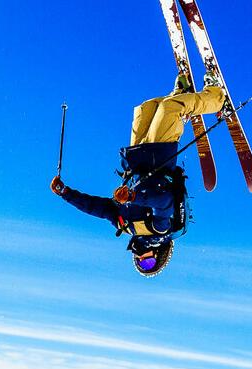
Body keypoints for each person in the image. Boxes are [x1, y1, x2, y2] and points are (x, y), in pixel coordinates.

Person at [51, 76, 227, 277]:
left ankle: (182, 94)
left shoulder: (125, 225)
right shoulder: (159, 230)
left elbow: (94, 207)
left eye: (140, 262)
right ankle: (218, 97)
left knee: (146, 108)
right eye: (149, 262)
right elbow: (164, 202)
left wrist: (65, 193)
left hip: (135, 158)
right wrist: (133, 197)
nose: (142, 257)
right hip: (159, 155)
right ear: (159, 255)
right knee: (171, 108)